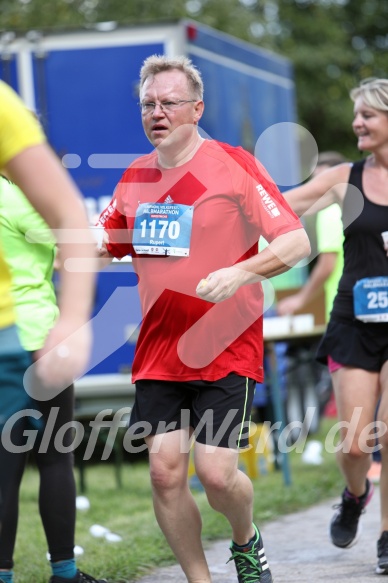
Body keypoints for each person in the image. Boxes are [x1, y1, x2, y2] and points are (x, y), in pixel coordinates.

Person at [97, 55, 310, 583]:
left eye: (169, 103)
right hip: (159, 351)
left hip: (225, 346)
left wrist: (240, 275)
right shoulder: (134, 177)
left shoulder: (233, 164)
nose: (157, 112)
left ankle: (246, 539)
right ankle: (200, 579)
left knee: (216, 475)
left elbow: (296, 241)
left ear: (197, 109)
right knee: (165, 474)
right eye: (148, 104)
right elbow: (103, 242)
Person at [283, 78, 388, 575]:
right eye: (356, 115)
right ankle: (355, 493)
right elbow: (287, 206)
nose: (357, 123)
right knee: (354, 441)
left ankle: (387, 537)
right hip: (354, 320)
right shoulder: (345, 179)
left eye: (368, 114)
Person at [0, 81, 97, 579]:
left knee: (5, 466)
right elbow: (74, 233)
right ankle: (63, 572)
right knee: (53, 459)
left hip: (18, 338)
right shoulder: (16, 196)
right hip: (34, 339)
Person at [277, 151, 346, 322]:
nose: (315, 188)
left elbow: (327, 265)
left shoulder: (330, 212)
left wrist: (300, 299)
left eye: (321, 181)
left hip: (344, 305)